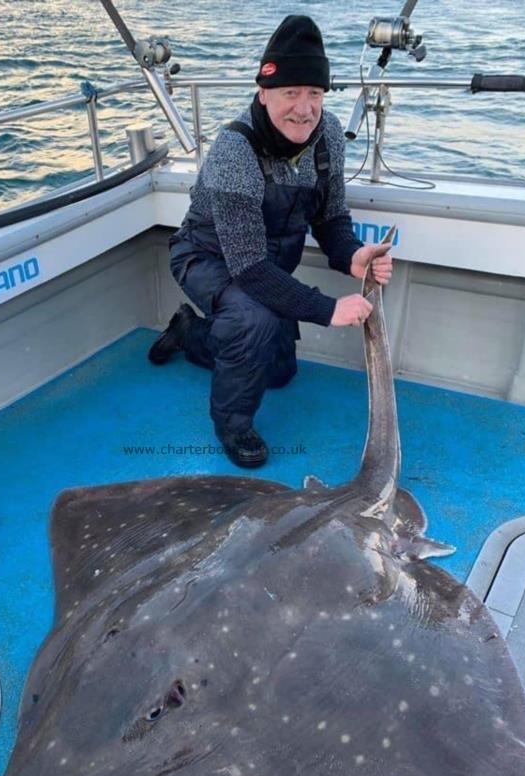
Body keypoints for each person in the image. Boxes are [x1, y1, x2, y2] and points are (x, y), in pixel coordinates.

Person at [149, 15, 392, 468]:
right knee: (252, 318)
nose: (304, 108)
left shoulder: (330, 136)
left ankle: (190, 334)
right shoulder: (235, 150)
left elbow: (331, 216)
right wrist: (328, 309)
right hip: (205, 257)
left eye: (314, 93)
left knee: (278, 374)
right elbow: (250, 271)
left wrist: (354, 256)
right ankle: (233, 426)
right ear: (264, 92)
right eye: (290, 93)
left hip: (265, 267)